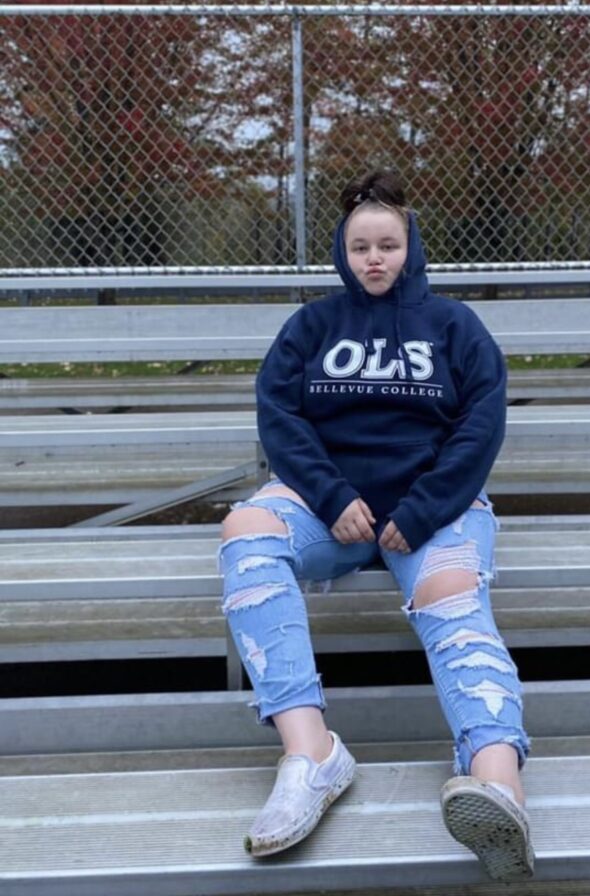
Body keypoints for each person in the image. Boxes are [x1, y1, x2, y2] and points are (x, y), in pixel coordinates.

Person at [218, 168, 533, 881]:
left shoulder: (455, 326)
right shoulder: (313, 325)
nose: (374, 259)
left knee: (450, 592)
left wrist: (422, 508)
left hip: (432, 508)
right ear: (342, 251)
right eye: (360, 246)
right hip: (332, 508)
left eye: (388, 244)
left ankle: (496, 782)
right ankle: (312, 754)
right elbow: (280, 417)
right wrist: (330, 497)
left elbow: (480, 428)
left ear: (411, 246)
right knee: (245, 530)